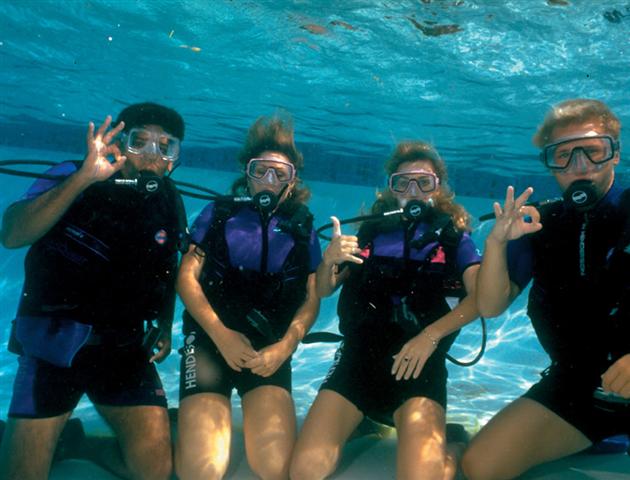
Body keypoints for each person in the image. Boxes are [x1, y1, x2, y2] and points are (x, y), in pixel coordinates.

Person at [0, 102, 188, 480]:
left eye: (165, 146)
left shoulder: (170, 201)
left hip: (123, 351)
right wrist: (84, 178)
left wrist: (165, 324)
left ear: (173, 159)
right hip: (52, 349)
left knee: (157, 472)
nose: (153, 155)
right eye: (141, 142)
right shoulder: (73, 174)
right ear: (120, 142)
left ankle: (77, 443)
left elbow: (168, 269)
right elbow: (12, 234)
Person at [290, 141, 482, 480]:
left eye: (424, 182)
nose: (413, 191)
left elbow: (481, 297)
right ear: (391, 189)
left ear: (439, 189)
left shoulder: (454, 238)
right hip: (358, 360)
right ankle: (364, 422)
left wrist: (431, 336)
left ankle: (454, 443)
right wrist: (328, 260)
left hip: (419, 364)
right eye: (402, 182)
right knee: (304, 471)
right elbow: (323, 289)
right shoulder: (371, 231)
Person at [462, 98, 630, 480]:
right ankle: (599, 437)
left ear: (615, 155)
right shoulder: (540, 225)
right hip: (578, 385)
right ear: (549, 164)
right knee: (480, 466)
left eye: (594, 150)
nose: (580, 165)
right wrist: (496, 244)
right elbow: (489, 307)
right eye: (563, 155)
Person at [175, 115, 321, 480]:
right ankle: (184, 418)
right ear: (247, 173)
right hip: (210, 339)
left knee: (273, 468)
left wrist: (285, 346)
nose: (269, 181)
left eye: (280, 173)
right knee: (201, 472)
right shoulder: (220, 214)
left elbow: (312, 297)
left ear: (293, 180)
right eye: (261, 171)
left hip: (268, 348)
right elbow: (186, 278)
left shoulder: (303, 228)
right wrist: (221, 335)